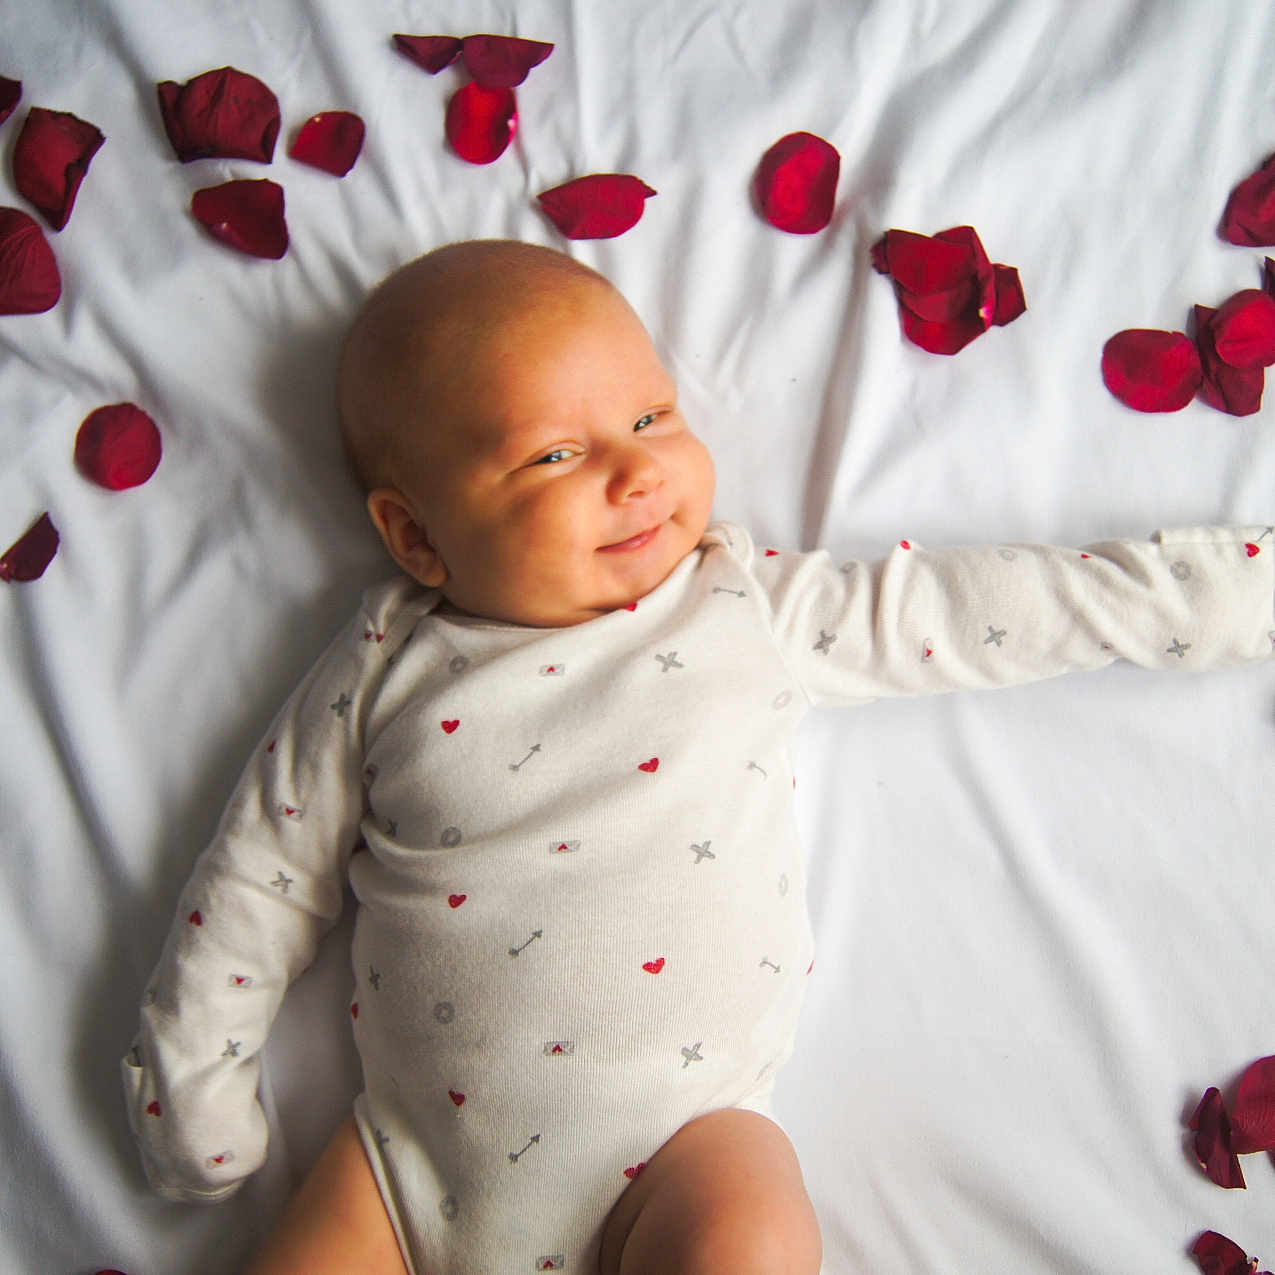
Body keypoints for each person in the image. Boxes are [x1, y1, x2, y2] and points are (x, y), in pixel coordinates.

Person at [123, 240, 1275, 1275]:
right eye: (553, 455)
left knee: (750, 1242)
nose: (633, 474)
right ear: (417, 532)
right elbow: (259, 873)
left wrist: (1220, 593)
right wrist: (195, 1082)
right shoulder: (382, 667)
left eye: (653, 419)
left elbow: (988, 610)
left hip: (673, 1154)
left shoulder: (739, 608)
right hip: (411, 1176)